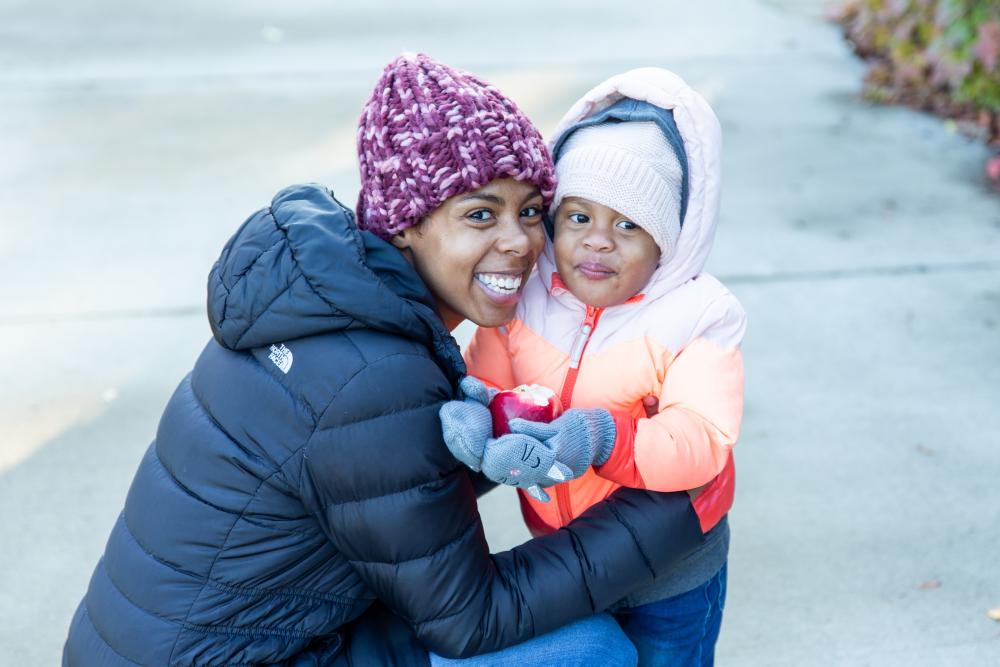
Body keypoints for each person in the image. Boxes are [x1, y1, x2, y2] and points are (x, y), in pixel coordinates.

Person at [62, 54, 707, 666]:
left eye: (532, 211)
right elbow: (471, 617)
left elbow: (388, 484)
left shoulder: (322, 303)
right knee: (590, 651)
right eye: (480, 214)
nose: (519, 242)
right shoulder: (372, 379)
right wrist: (675, 506)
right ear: (406, 224)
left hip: (154, 648)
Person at [440, 67, 746, 666]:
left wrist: (601, 436)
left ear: (669, 239)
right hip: (571, 555)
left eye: (628, 224)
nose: (598, 241)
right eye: (579, 217)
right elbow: (491, 378)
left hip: (672, 566)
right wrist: (477, 418)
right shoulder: (528, 299)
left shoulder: (697, 317)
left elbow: (701, 439)